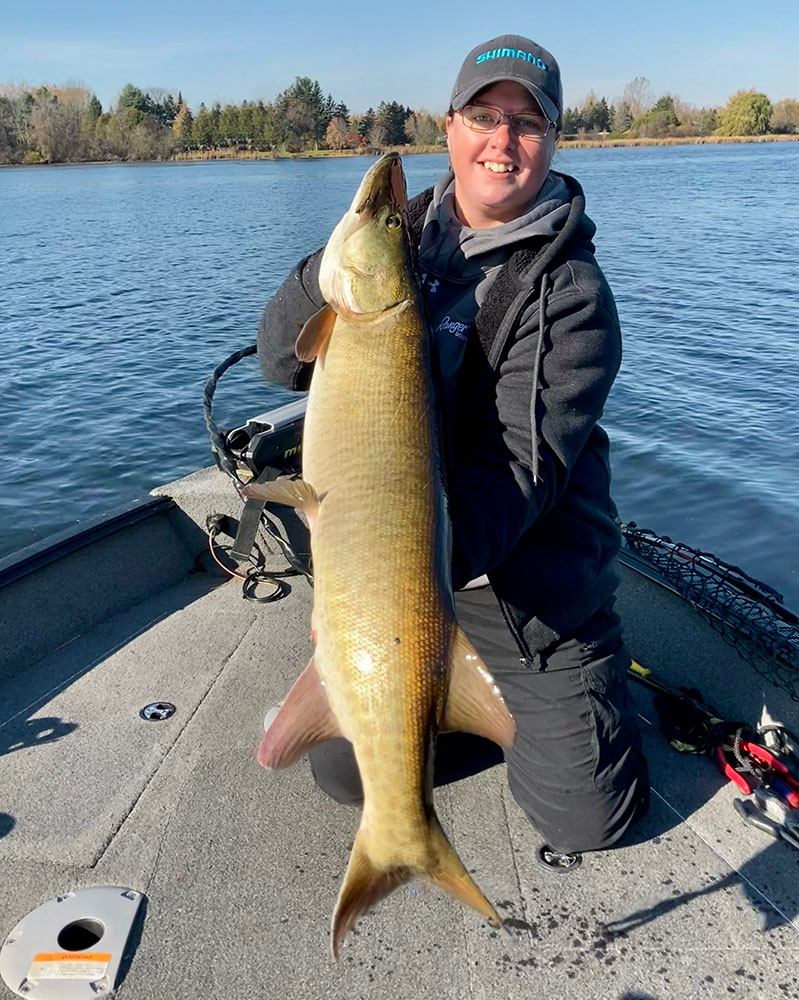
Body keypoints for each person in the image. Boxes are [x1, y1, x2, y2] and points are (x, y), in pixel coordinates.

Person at [256, 34, 649, 869]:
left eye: (527, 123)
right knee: (344, 770)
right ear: (450, 126)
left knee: (588, 817)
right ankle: (449, 711)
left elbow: (518, 475)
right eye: (483, 116)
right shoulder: (403, 243)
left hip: (525, 587)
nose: (500, 142)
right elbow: (276, 359)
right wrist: (327, 267)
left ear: (551, 142)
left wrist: (389, 581)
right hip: (415, 570)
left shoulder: (570, 295)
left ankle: (568, 685)